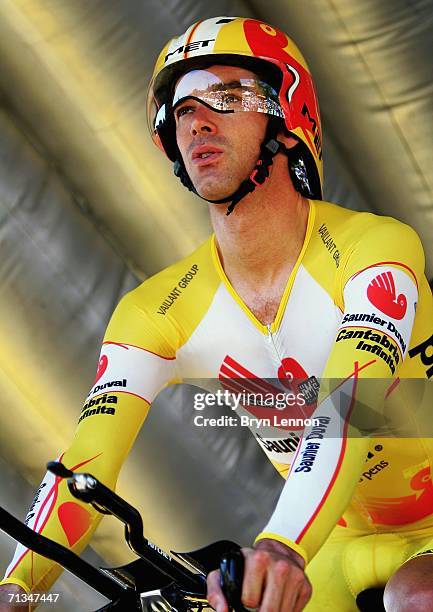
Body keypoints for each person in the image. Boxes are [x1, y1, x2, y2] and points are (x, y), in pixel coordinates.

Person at [1, 16, 433, 611]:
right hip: (336, 543)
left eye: (227, 97)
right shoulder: (155, 310)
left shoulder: (377, 248)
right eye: (180, 110)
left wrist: (281, 548)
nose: (198, 119)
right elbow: (85, 463)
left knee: (418, 597)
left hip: (361, 548)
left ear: (287, 117)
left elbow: (352, 408)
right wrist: (19, 589)